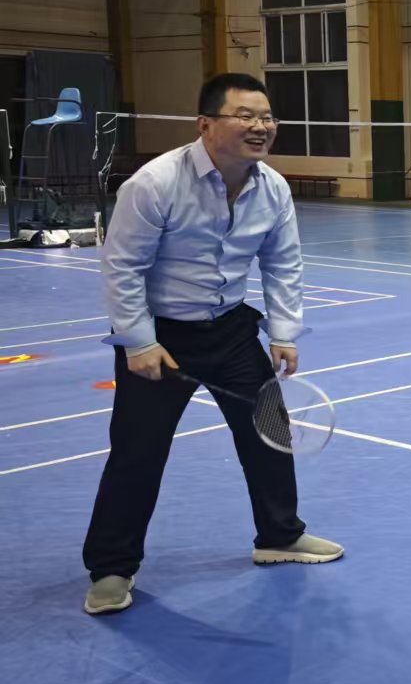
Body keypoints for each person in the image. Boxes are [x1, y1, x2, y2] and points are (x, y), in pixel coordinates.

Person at [82, 73, 342, 616]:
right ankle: (111, 567)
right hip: (161, 337)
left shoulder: (272, 188)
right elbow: (123, 267)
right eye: (245, 116)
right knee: (137, 453)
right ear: (206, 124)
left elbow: (282, 263)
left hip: (230, 330)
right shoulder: (154, 184)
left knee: (270, 433)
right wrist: (138, 342)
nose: (260, 126)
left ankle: (280, 535)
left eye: (266, 117)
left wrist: (284, 332)